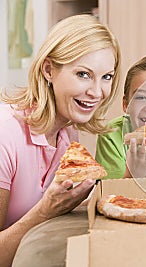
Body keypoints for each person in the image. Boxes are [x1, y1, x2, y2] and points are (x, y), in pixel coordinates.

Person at [0, 14, 121, 266]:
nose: (97, 92)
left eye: (106, 77)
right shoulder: (5, 135)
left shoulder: (67, 135)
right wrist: (46, 210)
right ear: (48, 70)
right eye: (83, 74)